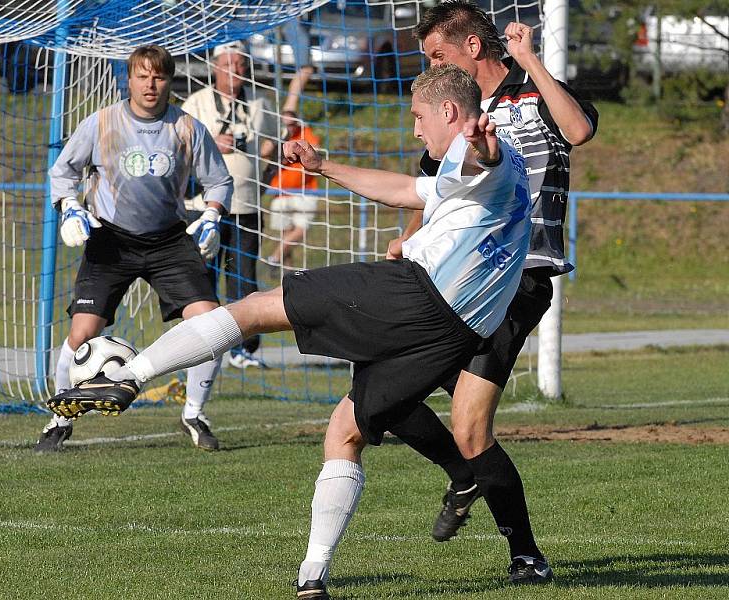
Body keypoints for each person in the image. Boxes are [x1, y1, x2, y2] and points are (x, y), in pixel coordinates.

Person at [46, 63, 533, 599]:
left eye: (418, 117)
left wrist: (481, 144)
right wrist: (324, 166)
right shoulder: (474, 164)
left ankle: (128, 374)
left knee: (257, 306)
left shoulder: (479, 150)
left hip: (415, 294)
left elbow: (480, 159)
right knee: (345, 430)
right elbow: (404, 190)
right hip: (454, 332)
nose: (416, 130)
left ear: (447, 111)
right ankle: (312, 576)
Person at [384, 1, 599, 584]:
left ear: (472, 48)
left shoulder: (536, 92)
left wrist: (530, 57)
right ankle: (464, 472)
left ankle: (525, 554)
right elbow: (430, 192)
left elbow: (578, 131)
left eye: (437, 54)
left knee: (470, 424)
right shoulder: (454, 116)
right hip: (454, 277)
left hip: (516, 278)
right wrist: (406, 241)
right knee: (380, 388)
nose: (430, 65)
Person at [34, 44, 234, 453]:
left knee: (212, 325)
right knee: (82, 333)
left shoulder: (187, 127)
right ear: (128, 80)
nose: (150, 84)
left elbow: (220, 182)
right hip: (111, 239)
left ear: (169, 81)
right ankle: (59, 419)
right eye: (142, 76)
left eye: (158, 77)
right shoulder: (102, 122)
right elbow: (63, 172)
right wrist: (70, 207)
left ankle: (194, 414)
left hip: (169, 240)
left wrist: (213, 215)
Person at [181, 41, 279, 369]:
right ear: (214, 68)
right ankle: (201, 347)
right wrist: (210, 144)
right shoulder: (196, 103)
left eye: (239, 64)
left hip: (247, 208)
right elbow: (180, 150)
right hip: (204, 208)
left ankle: (242, 350)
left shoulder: (262, 104)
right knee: (202, 278)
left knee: (241, 279)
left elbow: (274, 147)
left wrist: (264, 177)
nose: (234, 71)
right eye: (227, 64)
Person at [266, 110, 321, 270]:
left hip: (305, 191)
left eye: (292, 124)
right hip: (281, 193)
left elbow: (316, 148)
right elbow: (264, 152)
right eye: (285, 124)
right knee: (285, 236)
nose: (288, 128)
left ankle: (274, 257)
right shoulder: (276, 135)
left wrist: (297, 150)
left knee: (300, 231)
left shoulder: (304, 132)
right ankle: (288, 276)